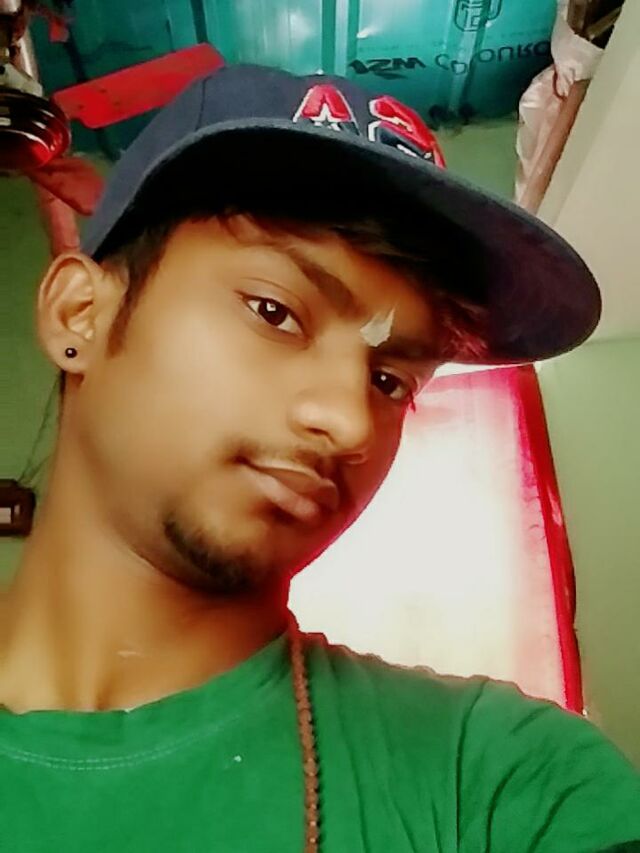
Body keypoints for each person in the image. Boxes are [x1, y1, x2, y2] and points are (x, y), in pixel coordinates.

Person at [1, 63, 638, 853]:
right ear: (79, 313)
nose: (349, 422)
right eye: (275, 312)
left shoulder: (501, 777)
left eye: (390, 381)